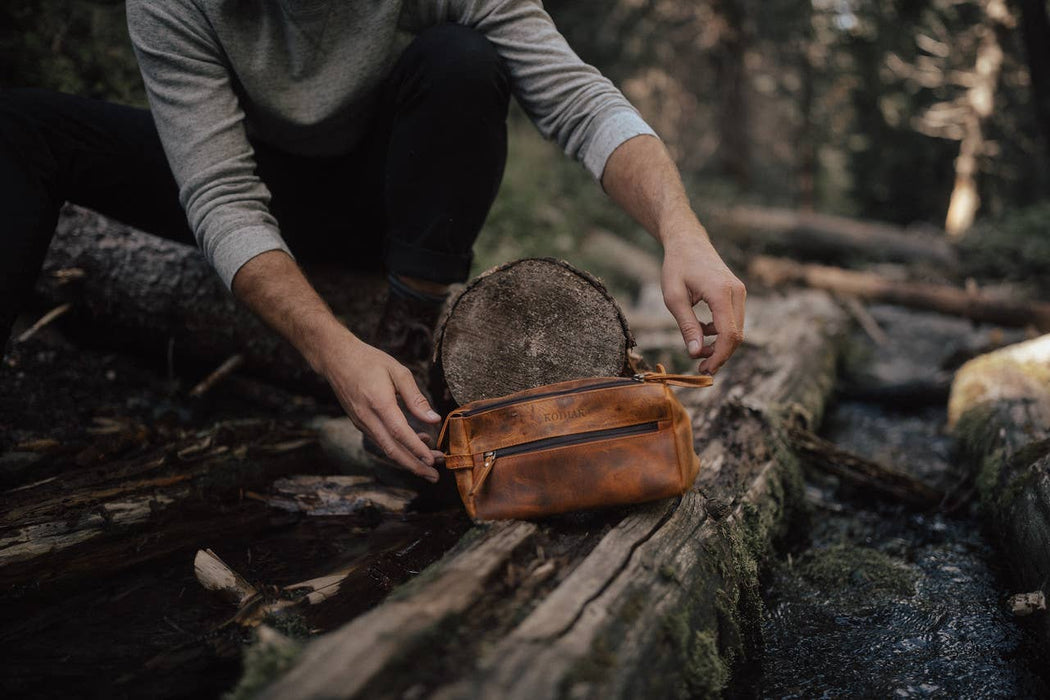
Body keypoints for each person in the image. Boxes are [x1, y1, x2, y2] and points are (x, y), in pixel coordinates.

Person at [0, 0, 746, 483]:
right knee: (25, 126)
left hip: (381, 201)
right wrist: (332, 352)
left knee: (462, 58)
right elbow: (221, 195)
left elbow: (577, 100)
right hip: (257, 184)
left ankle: (409, 337)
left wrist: (683, 231)